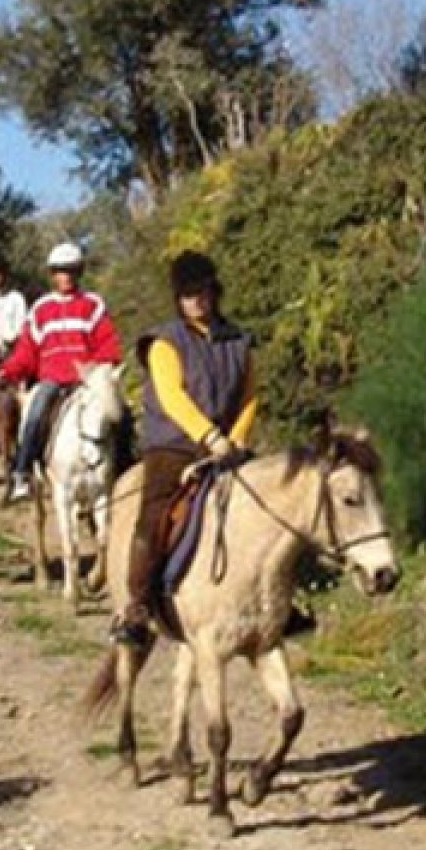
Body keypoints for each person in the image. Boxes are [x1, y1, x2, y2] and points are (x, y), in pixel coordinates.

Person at [113, 250, 257, 646]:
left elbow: (249, 396)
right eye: (189, 294)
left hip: (228, 446)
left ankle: (282, 599)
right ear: (179, 298)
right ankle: (137, 606)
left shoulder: (239, 340)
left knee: (272, 502)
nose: (197, 301)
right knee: (155, 515)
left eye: (203, 292)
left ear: (214, 292)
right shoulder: (163, 343)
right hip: (173, 445)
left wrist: (238, 437)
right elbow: (173, 398)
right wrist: (209, 436)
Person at [0, 241, 122, 502]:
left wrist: (99, 366)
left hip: (85, 380)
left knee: (119, 413)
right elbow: (27, 349)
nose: (65, 276)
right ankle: (22, 471)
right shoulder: (41, 308)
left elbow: (107, 342)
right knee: (36, 410)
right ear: (52, 274)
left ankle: (123, 468)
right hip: (52, 378)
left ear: (79, 272)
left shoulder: (92, 304)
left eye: (71, 270)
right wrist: (8, 371)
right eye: (60, 271)